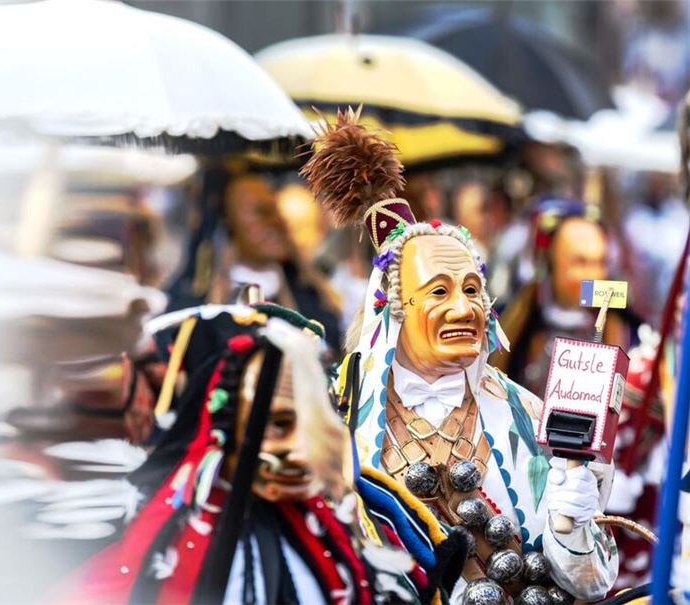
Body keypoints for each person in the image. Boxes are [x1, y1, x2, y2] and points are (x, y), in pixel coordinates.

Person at [301, 109, 619, 604]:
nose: (463, 307)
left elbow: (592, 582)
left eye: (473, 289)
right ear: (393, 310)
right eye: (439, 290)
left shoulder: (529, 416)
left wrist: (569, 526)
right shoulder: (336, 413)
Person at [60, 303, 467, 604]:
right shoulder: (156, 540)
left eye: (309, 426)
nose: (297, 450)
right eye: (277, 426)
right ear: (224, 430)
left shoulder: (350, 528)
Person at [165, 169, 342, 350]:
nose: (275, 222)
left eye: (275, 211)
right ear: (229, 222)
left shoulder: (312, 296)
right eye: (260, 212)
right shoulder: (194, 305)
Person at [490, 198, 640, 395]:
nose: (594, 275)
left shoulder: (629, 333)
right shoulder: (508, 327)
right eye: (580, 263)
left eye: (601, 262)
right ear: (551, 264)